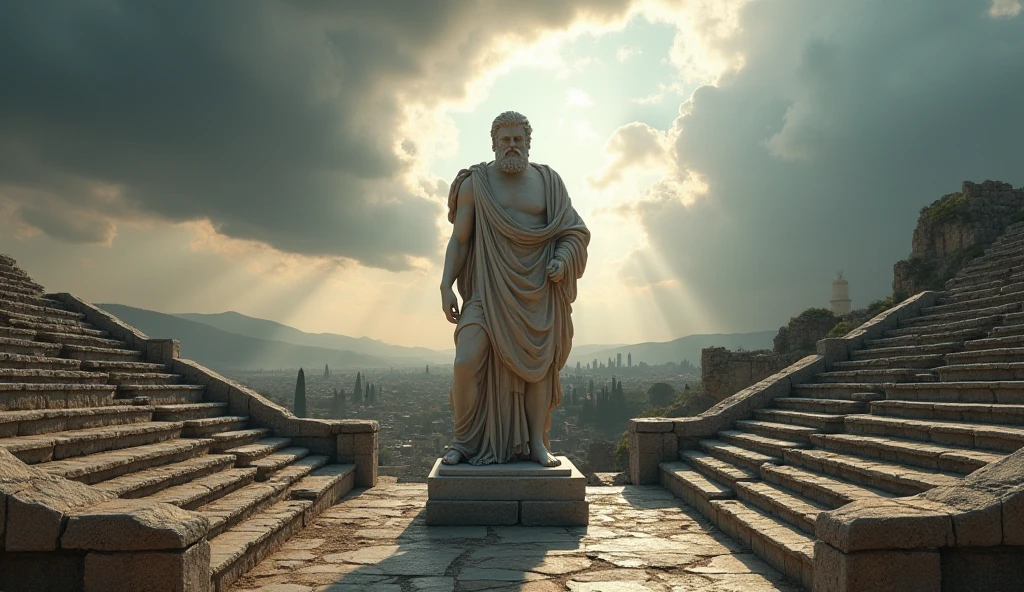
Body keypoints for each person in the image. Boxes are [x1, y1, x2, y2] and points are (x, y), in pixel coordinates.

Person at [439, 111, 589, 466]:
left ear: (528, 143)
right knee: (465, 361)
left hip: (537, 290)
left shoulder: (549, 182)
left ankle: (536, 443)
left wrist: (562, 259)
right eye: (504, 140)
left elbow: (573, 231)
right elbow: (460, 240)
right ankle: (464, 440)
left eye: (517, 139)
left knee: (537, 367)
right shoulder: (475, 183)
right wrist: (446, 285)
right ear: (493, 143)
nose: (511, 146)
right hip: (486, 290)